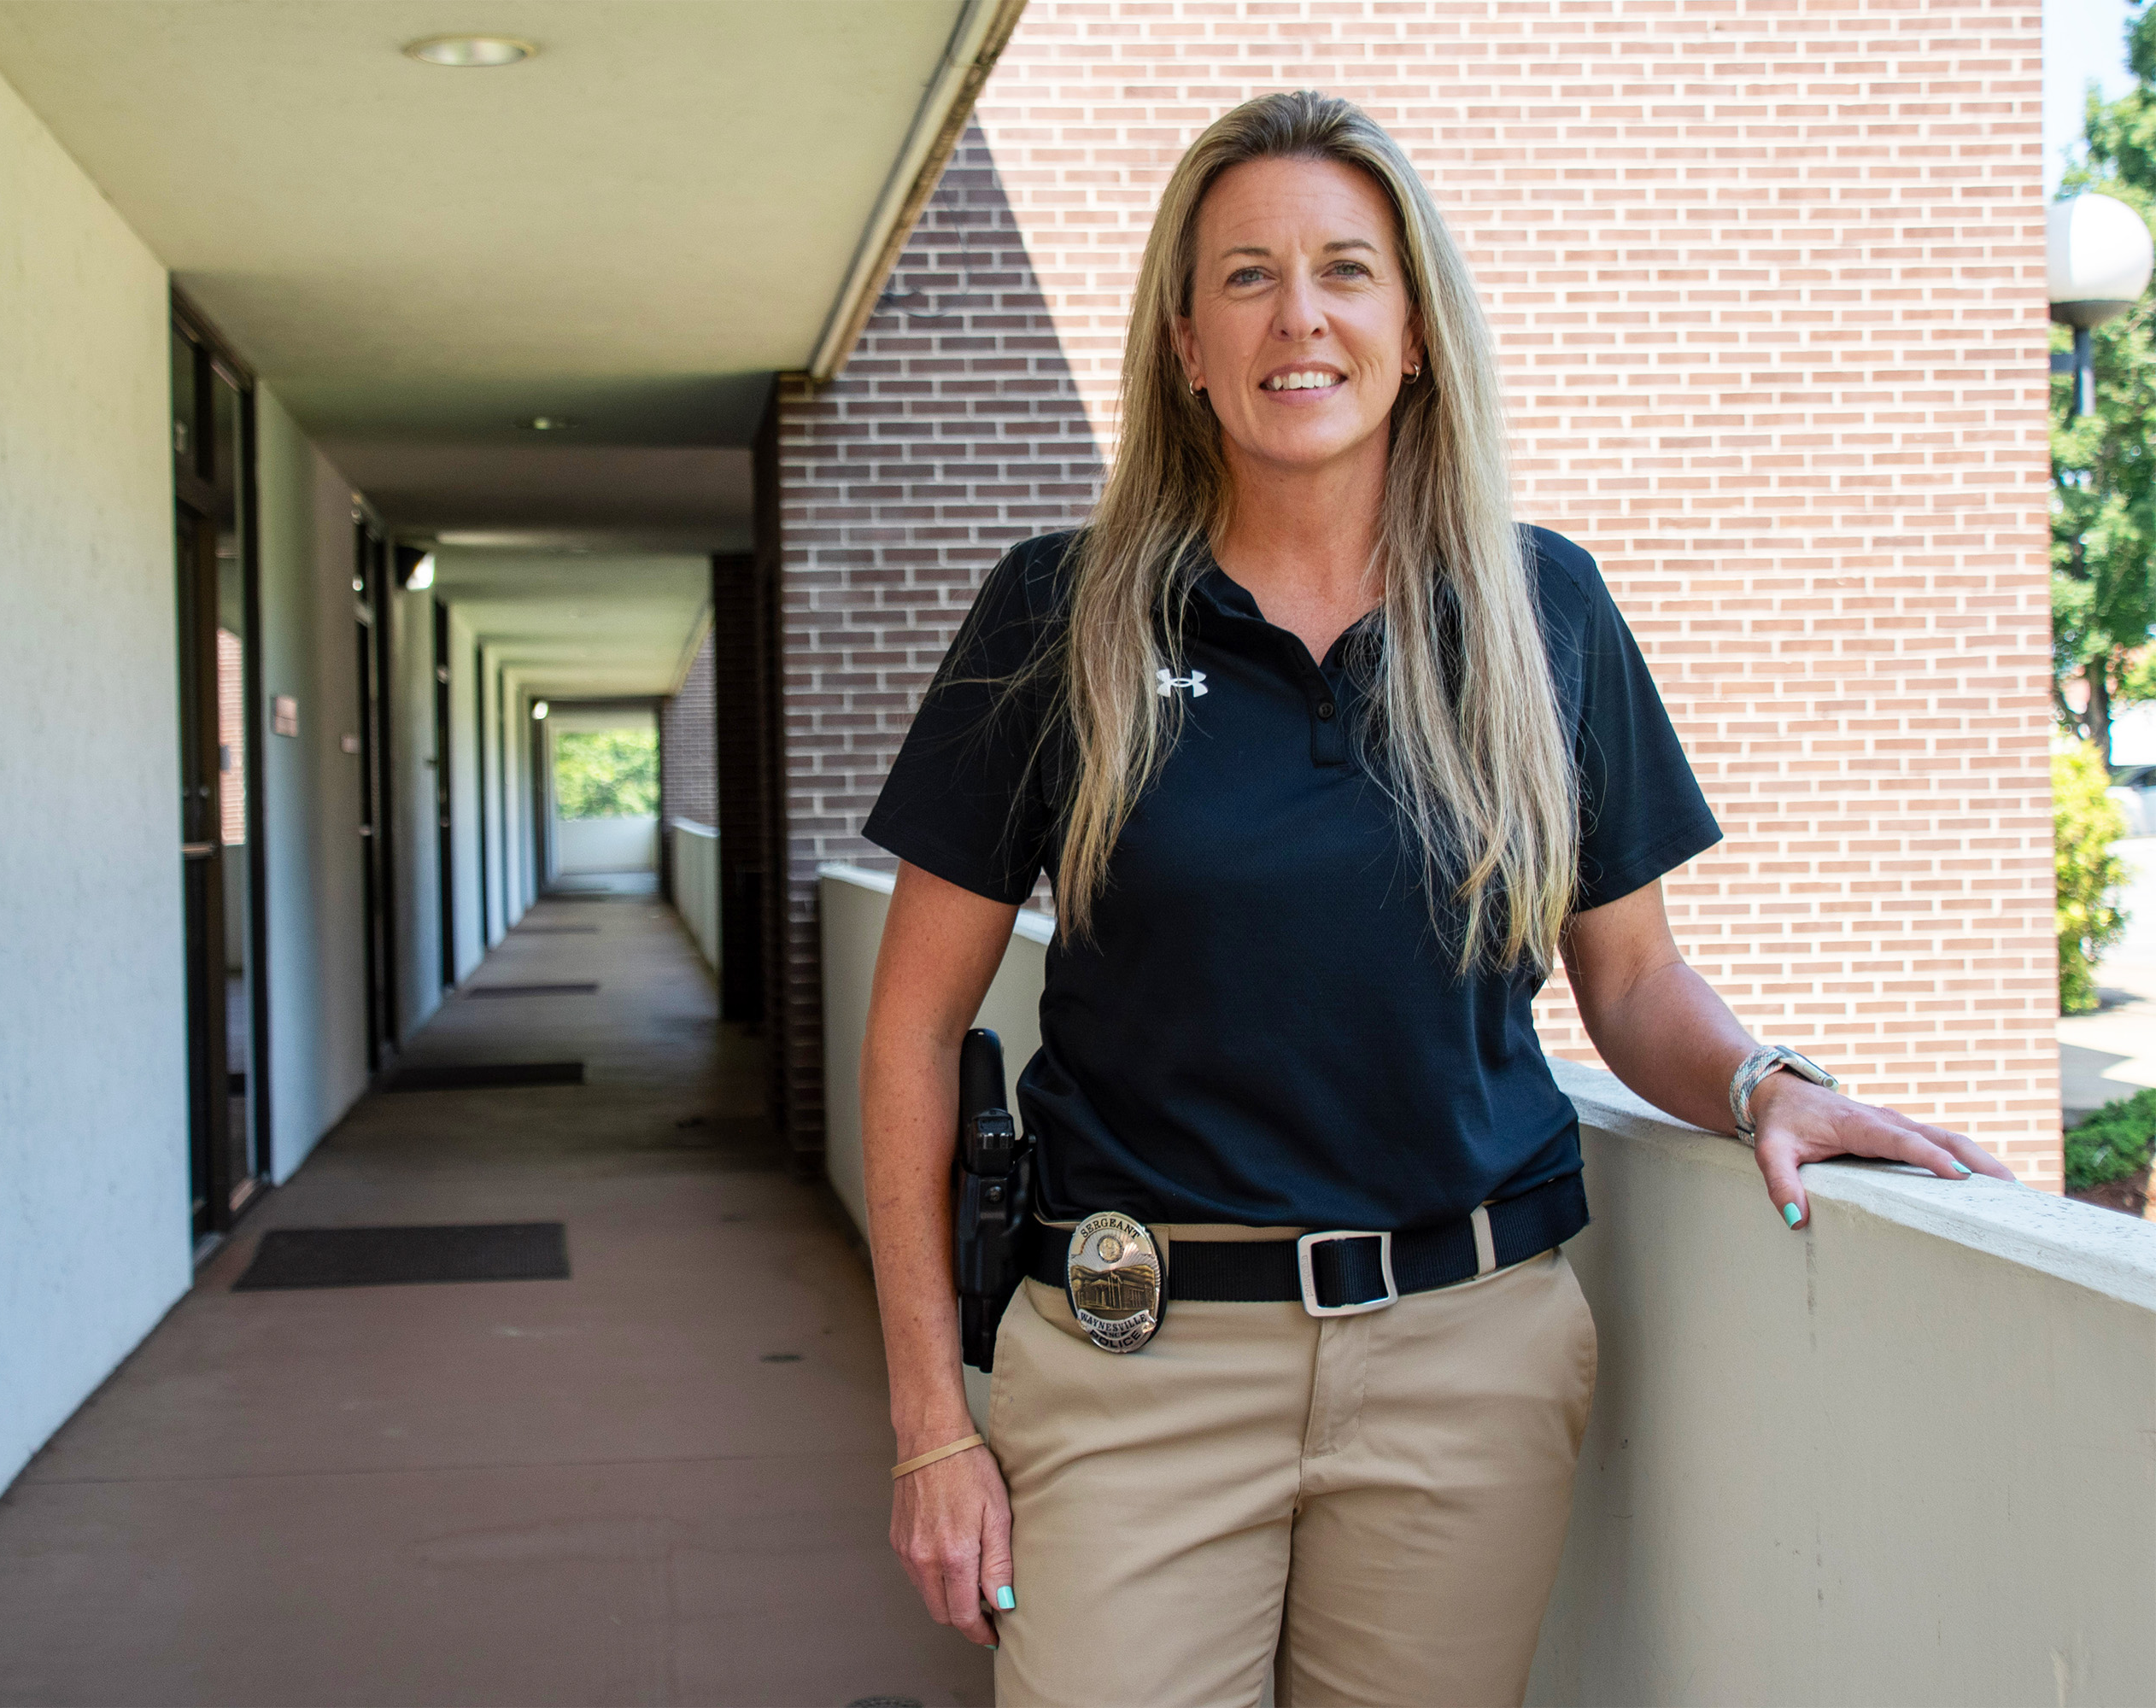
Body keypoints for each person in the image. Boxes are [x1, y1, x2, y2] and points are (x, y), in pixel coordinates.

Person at [854, 89, 2017, 1708]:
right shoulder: (1063, 613)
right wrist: (931, 1424)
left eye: (1346, 268)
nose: (1298, 315)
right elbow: (912, 1029)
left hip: (1468, 1362)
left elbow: (1628, 982)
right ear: (1184, 341)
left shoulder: (1544, 612)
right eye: (1245, 275)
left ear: (1412, 332)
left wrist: (1768, 1083)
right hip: (1133, 1363)